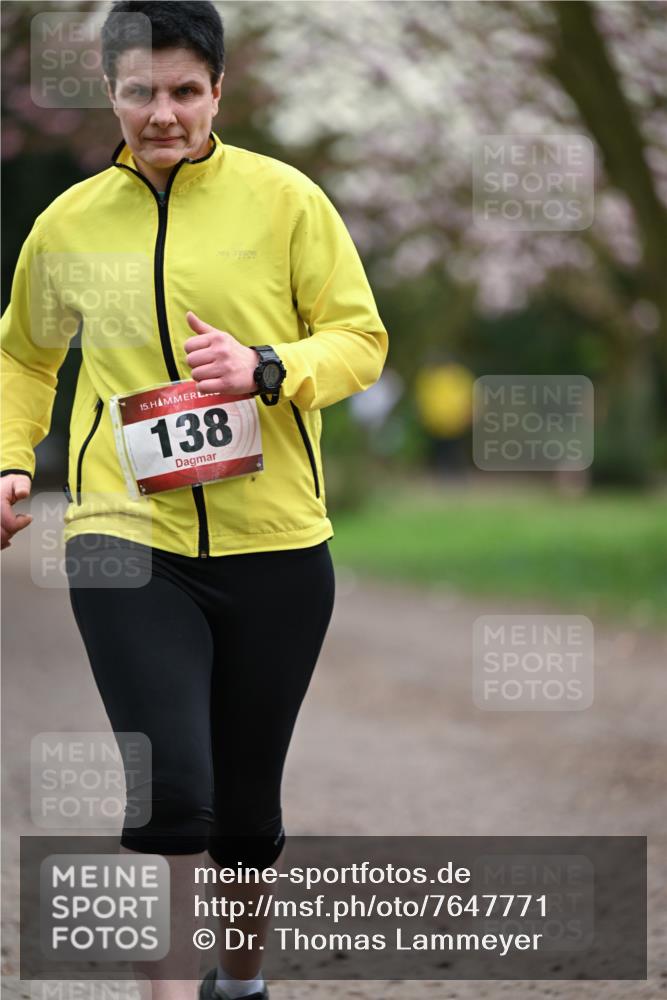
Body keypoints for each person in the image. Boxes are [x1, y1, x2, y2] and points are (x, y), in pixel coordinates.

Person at [0, 3, 388, 999]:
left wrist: (267, 366)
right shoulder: (71, 222)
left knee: (246, 811)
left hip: (276, 545)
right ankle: (167, 991)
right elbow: (23, 355)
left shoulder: (285, 201)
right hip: (125, 536)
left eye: (183, 90)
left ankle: (239, 982)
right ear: (111, 92)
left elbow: (359, 340)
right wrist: (8, 459)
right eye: (140, 91)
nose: (161, 112)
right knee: (175, 785)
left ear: (218, 90)